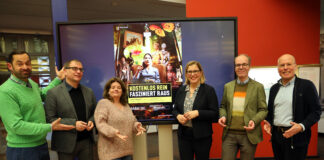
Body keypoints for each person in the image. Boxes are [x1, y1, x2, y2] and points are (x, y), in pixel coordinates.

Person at [0, 51, 75, 160]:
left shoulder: (31, 84)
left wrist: (58, 79)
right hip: (22, 150)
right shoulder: (5, 91)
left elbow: (43, 95)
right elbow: (16, 126)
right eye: (20, 64)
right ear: (9, 66)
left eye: (28, 63)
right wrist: (49, 127)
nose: (25, 67)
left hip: (40, 145)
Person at [263, 54, 321, 160]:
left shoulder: (306, 86)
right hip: (277, 136)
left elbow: (316, 111)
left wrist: (301, 126)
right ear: (278, 69)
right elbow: (271, 112)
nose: (285, 68)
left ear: (295, 66)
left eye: (288, 64)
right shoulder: (274, 89)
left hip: (297, 136)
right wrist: (268, 121)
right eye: (282, 65)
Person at [44, 59, 97, 160]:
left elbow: (96, 113)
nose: (78, 72)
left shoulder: (88, 92)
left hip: (87, 142)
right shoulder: (53, 93)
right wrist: (73, 124)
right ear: (65, 71)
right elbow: (50, 119)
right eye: (74, 68)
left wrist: (92, 121)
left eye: (81, 69)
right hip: (65, 143)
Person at [218, 54, 268, 160]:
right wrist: (223, 116)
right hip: (229, 134)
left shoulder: (258, 87)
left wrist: (254, 121)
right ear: (235, 67)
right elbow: (223, 106)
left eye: (244, 64)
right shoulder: (228, 86)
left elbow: (263, 109)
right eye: (238, 65)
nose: (241, 67)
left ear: (249, 66)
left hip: (249, 135)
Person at [172, 60, 219, 160]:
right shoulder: (181, 90)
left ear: (201, 72)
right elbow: (175, 109)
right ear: (186, 74)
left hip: (202, 137)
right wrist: (178, 116)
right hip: (184, 136)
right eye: (189, 72)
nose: (192, 74)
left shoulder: (209, 90)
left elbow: (215, 114)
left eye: (195, 71)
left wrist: (198, 113)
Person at [94, 77, 146, 160]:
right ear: (108, 91)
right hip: (110, 153)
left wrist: (137, 126)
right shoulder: (103, 103)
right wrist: (113, 132)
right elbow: (100, 124)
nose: (116, 89)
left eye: (119, 88)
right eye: (113, 87)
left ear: (122, 91)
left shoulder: (126, 105)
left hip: (127, 151)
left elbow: (132, 122)